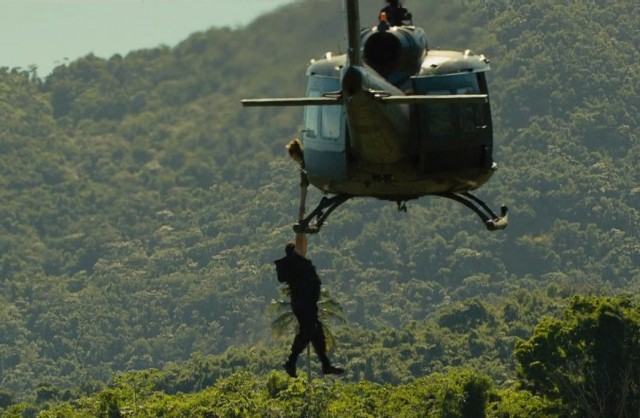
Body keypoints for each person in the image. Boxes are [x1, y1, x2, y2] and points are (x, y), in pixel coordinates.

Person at [274, 233, 344, 378]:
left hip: (305, 304)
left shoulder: (295, 264)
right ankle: (291, 361)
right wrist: (302, 219)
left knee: (316, 333)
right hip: (304, 304)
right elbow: (300, 238)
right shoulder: (297, 261)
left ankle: (325, 365)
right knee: (309, 331)